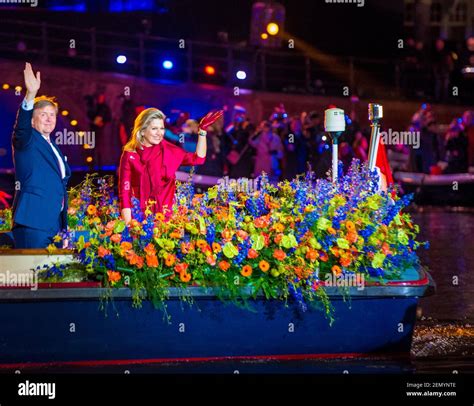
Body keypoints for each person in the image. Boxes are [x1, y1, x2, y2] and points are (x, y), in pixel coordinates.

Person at [119, 108, 222, 223]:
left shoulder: (168, 150)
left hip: (166, 219)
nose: (159, 133)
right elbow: (125, 191)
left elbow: (198, 159)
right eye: (154, 129)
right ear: (142, 131)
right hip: (139, 217)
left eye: (162, 128)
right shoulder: (130, 155)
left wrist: (202, 132)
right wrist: (128, 224)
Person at [11, 63, 71, 248]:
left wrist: (64, 226)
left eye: (52, 115)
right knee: (32, 276)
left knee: (51, 277)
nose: (49, 118)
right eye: (43, 114)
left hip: (54, 224)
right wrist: (30, 95)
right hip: (33, 222)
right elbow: (21, 127)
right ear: (32, 119)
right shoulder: (27, 139)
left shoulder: (53, 146)